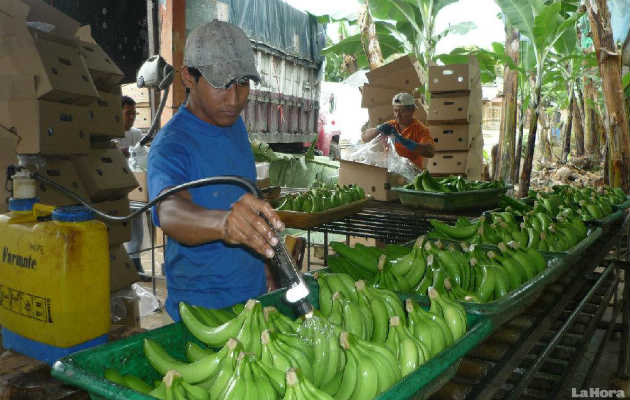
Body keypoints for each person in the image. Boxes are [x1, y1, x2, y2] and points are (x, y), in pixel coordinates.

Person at [147, 21, 284, 321]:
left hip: (252, 300)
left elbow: (245, 196)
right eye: (222, 84)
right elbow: (170, 211)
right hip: (203, 314)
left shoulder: (234, 126)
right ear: (188, 77)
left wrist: (266, 266)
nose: (235, 99)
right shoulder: (171, 145)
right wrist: (225, 224)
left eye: (243, 83)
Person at [115, 96, 147, 278]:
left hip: (135, 189)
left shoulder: (135, 134)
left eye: (134, 113)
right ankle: (123, 265)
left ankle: (135, 263)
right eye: (129, 113)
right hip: (116, 189)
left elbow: (143, 154)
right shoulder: (110, 134)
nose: (132, 117)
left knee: (137, 224)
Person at [361, 92, 434, 168]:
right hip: (391, 170)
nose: (398, 115)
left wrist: (407, 143)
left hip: (411, 172)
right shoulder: (391, 125)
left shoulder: (420, 129)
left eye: (402, 111)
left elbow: (430, 152)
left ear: (412, 111)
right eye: (396, 111)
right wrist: (378, 130)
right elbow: (364, 138)